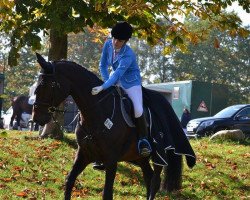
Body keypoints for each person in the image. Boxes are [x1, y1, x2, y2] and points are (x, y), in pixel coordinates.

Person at [91, 22, 152, 169]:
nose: (116, 42)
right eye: (115, 39)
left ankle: (143, 140)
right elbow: (102, 65)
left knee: (137, 109)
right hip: (113, 80)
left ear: (126, 42)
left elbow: (118, 73)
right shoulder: (108, 44)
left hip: (131, 83)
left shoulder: (129, 54)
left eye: (120, 41)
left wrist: (104, 86)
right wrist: (106, 82)